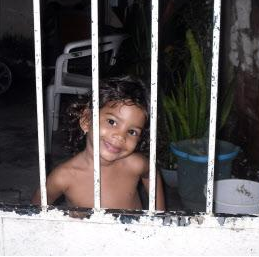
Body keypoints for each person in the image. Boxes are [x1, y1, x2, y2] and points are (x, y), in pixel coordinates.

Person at [32, 75, 165, 211]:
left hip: (134, 231)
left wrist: (160, 214)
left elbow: (151, 173)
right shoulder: (63, 177)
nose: (120, 136)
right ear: (86, 120)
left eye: (132, 132)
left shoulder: (135, 164)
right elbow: (36, 209)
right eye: (112, 122)